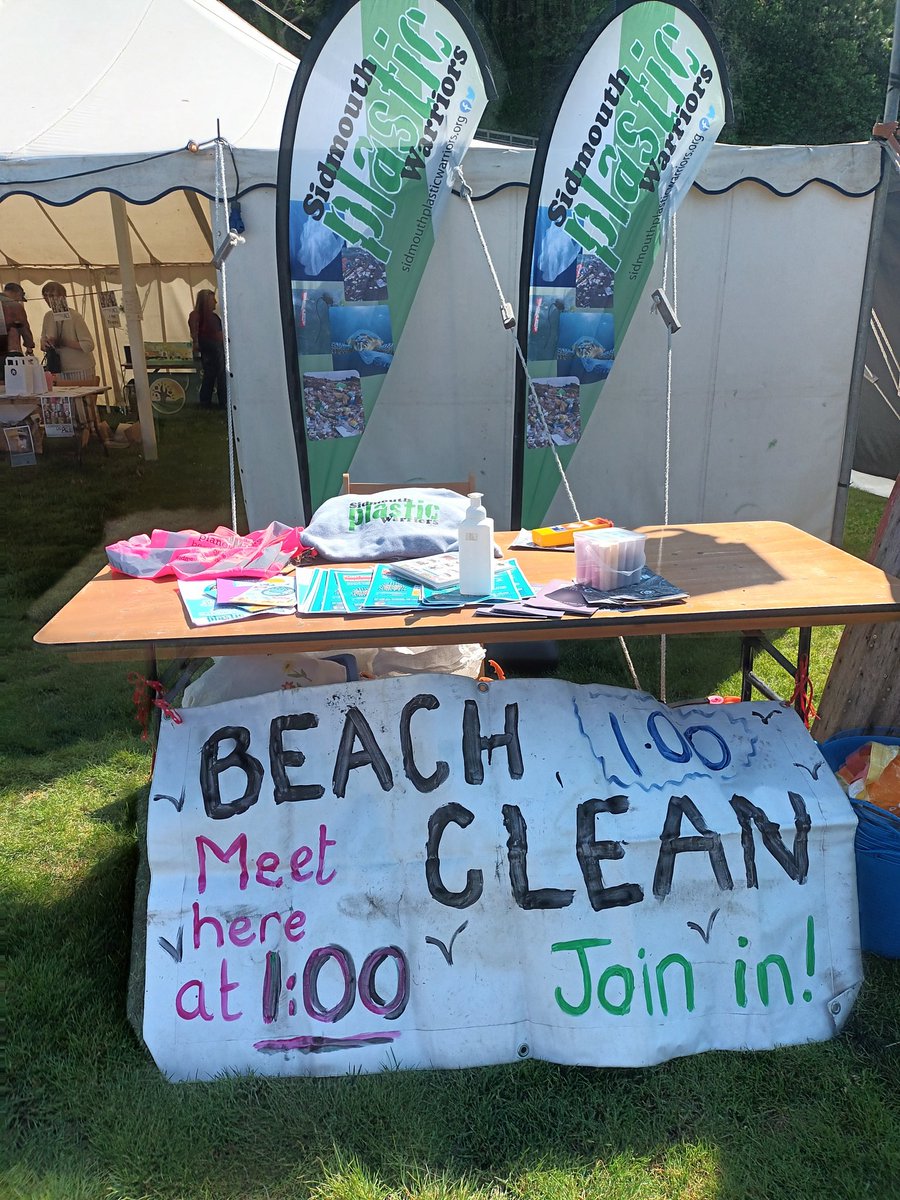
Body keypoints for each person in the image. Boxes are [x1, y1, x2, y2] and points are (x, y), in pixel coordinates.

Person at [40, 281, 96, 380]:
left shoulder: (75, 317)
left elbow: (88, 345)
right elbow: (43, 342)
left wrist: (63, 342)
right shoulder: (47, 316)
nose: (48, 299)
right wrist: (46, 343)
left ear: (63, 296)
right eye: (45, 296)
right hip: (58, 369)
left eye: (52, 295)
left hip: (80, 368)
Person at [188, 289, 227, 409]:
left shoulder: (208, 317)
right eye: (212, 299)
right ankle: (220, 402)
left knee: (211, 376)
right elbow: (216, 335)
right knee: (218, 375)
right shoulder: (204, 317)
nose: (215, 302)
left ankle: (208, 403)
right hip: (213, 348)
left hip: (210, 348)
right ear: (206, 301)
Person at [1, 283, 36, 378]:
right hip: (11, 351)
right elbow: (24, 328)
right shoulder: (15, 306)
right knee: (15, 384)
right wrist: (29, 347)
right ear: (17, 293)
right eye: (19, 298)